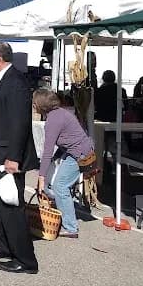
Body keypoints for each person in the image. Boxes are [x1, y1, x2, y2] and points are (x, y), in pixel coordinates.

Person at [0, 41, 39, 274]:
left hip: (7, 157)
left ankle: (25, 259)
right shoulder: (3, 80)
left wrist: (13, 157)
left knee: (11, 206)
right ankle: (4, 246)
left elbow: (19, 123)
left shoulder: (15, 82)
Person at [33, 89, 93, 239]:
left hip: (79, 154)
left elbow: (47, 150)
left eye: (34, 103)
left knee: (60, 186)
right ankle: (62, 211)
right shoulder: (60, 113)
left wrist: (41, 176)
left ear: (41, 105)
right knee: (59, 186)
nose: (33, 105)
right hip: (78, 150)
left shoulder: (53, 120)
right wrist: (56, 157)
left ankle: (71, 227)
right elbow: (66, 139)